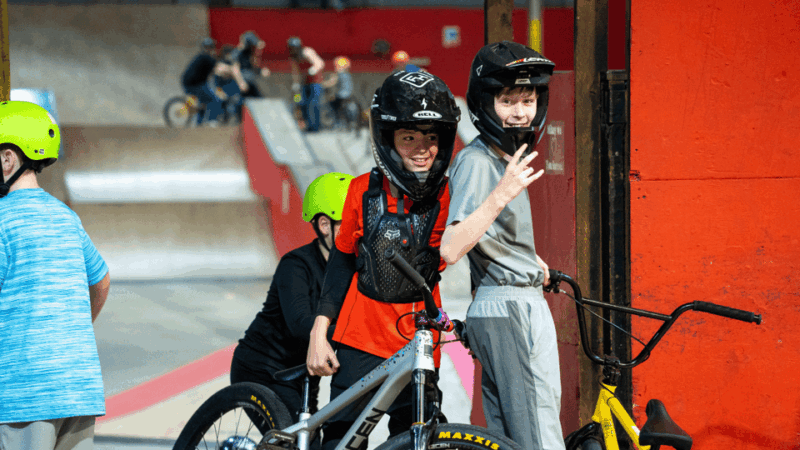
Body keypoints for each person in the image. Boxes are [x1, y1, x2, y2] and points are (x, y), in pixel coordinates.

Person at [306, 71, 461, 450]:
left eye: (431, 137)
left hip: (419, 340)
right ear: (388, 139)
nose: (422, 147)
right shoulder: (361, 190)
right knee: (342, 441)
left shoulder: (450, 196)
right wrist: (319, 331)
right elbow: (342, 263)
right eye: (409, 137)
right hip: (359, 340)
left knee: (414, 441)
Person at [439, 41, 564, 450]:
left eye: (527, 99)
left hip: (514, 300)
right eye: (507, 100)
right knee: (537, 432)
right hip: (509, 308)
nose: (519, 111)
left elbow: (487, 232)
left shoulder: (501, 155)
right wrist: (502, 194)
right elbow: (451, 247)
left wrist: (527, 260)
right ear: (485, 102)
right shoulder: (478, 161)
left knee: (514, 435)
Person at [0, 101, 111, 450]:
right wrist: (69, 333)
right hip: (77, 387)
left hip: (24, 393)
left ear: (8, 159)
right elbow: (102, 280)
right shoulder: (66, 217)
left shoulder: (2, 220)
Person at [229, 172, 353, 447]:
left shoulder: (352, 268)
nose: (360, 232)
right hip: (264, 369)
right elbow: (301, 325)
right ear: (324, 225)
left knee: (314, 440)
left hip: (305, 374)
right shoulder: (296, 265)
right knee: (295, 442)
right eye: (352, 223)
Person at [181, 37, 226, 125]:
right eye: (212, 47)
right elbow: (219, 67)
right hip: (193, 85)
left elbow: (213, 71)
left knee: (203, 102)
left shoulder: (202, 56)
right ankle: (211, 121)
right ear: (210, 48)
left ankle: (198, 123)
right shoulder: (206, 57)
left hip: (193, 83)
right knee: (214, 100)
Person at [288, 36, 325, 132]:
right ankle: (308, 125)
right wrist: (295, 83)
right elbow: (295, 71)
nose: (294, 50)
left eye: (295, 48)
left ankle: (316, 126)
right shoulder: (294, 58)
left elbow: (320, 63)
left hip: (315, 82)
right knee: (302, 102)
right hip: (304, 83)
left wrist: (313, 69)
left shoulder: (307, 52)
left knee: (314, 103)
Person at [229, 31, 271, 101]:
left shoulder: (248, 54)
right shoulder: (238, 53)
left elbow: (250, 68)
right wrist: (241, 82)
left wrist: (260, 71)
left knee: (260, 101)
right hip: (239, 86)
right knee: (238, 104)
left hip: (250, 84)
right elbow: (235, 69)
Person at [321, 56, 355, 130]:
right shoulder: (348, 74)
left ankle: (337, 122)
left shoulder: (339, 74)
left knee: (332, 105)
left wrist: (321, 85)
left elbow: (332, 82)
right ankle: (348, 122)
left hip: (341, 95)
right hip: (349, 95)